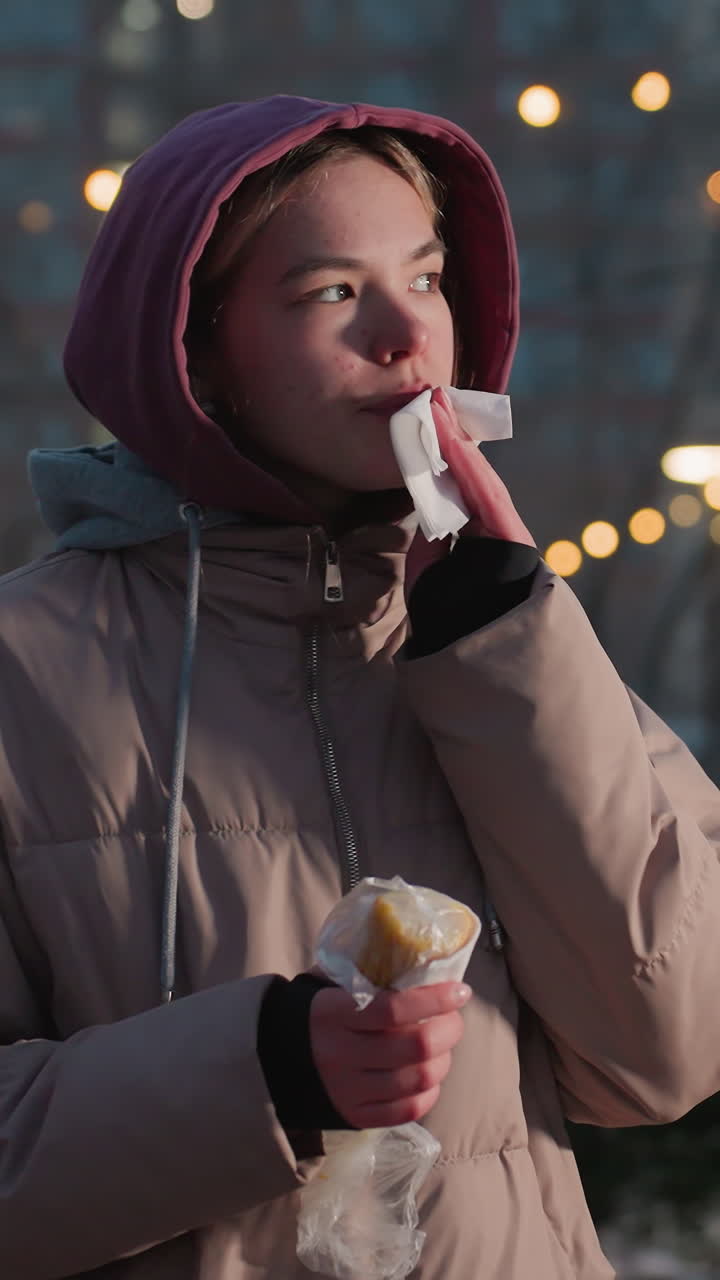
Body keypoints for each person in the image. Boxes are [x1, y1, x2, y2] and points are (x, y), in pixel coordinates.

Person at [0, 94, 718, 1280]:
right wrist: (273, 1068)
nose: (407, 334)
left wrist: (509, 648)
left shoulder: (500, 641)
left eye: (427, 277)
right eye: (332, 291)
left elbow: (664, 1053)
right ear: (196, 347)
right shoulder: (26, 668)